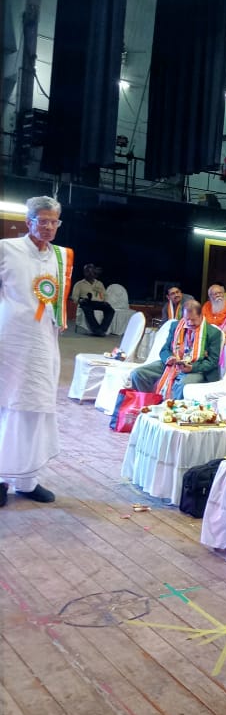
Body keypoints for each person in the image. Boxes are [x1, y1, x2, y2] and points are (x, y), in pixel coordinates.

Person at [0, 196, 73, 506]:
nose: (48, 227)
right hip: (9, 341)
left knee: (36, 406)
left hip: (44, 343)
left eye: (54, 222)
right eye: (42, 221)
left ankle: (27, 480)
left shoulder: (60, 257)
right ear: (28, 221)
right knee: (7, 405)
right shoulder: (6, 249)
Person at [130, 300, 221, 399]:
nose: (190, 323)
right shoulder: (175, 326)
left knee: (183, 384)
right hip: (173, 364)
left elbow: (212, 362)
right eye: (187, 319)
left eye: (193, 319)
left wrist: (192, 368)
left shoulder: (213, 333)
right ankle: (147, 402)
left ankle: (173, 408)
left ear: (201, 316)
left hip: (196, 369)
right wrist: (169, 358)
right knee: (137, 374)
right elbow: (165, 349)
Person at [71, 262, 114, 336]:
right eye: (87, 271)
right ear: (84, 273)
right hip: (86, 302)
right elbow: (74, 296)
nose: (89, 273)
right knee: (87, 308)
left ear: (94, 272)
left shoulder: (99, 283)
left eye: (91, 271)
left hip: (99, 302)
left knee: (110, 310)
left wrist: (105, 301)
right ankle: (97, 330)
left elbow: (105, 295)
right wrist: (79, 300)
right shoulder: (79, 284)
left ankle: (102, 329)